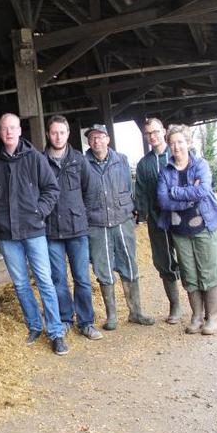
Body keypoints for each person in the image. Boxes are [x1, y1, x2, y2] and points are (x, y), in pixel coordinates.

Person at [0, 113, 69, 355]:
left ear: (20, 131)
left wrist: (39, 211)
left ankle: (56, 332)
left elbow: (52, 188)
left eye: (13, 128)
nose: (9, 132)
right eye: (4, 128)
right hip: (8, 235)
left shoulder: (35, 159)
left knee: (45, 281)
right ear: (0, 133)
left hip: (33, 230)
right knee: (20, 283)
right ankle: (34, 324)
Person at [85, 124, 155, 330]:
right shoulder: (83, 164)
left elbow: (128, 186)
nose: (96, 141)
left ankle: (136, 312)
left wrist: (132, 210)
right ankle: (112, 316)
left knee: (129, 263)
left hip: (122, 220)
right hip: (97, 223)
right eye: (92, 138)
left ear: (108, 139)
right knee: (103, 267)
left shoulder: (121, 160)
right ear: (88, 142)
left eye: (100, 137)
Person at [156, 124, 217, 335]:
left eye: (180, 142)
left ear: (188, 143)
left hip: (204, 225)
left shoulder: (200, 165)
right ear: (168, 146)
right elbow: (162, 200)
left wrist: (174, 191)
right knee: (189, 273)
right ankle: (196, 315)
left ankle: (212, 316)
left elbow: (203, 190)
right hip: (179, 230)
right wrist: (188, 195)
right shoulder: (166, 171)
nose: (176, 147)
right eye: (172, 143)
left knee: (207, 271)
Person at [42, 115, 102, 340]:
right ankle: (66, 318)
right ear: (48, 134)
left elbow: (91, 190)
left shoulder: (78, 159)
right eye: (54, 132)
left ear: (68, 134)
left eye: (62, 132)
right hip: (52, 231)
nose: (58, 136)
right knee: (58, 280)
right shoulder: (40, 161)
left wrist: (81, 213)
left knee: (82, 278)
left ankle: (86, 322)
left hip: (77, 230)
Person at [135, 117, 182, 324]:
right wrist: (141, 216)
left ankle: (198, 305)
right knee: (163, 260)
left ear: (164, 131)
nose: (152, 136)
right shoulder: (144, 164)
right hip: (157, 219)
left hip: (182, 217)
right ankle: (175, 305)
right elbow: (142, 193)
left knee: (187, 257)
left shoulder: (177, 154)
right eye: (148, 134)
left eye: (155, 132)